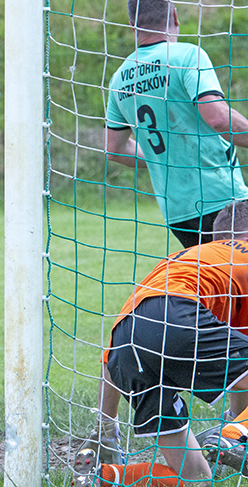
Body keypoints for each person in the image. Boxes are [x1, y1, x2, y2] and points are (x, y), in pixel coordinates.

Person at [73, 199, 248, 486]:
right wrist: (235, 421)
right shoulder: (237, 261)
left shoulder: (185, 259)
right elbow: (240, 376)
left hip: (125, 343)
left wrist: (105, 425)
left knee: (196, 478)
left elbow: (110, 355)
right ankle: (235, 435)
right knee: (232, 435)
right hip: (178, 314)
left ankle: (104, 477)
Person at [105, 0, 248, 248]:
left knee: (213, 283)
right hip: (224, 201)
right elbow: (218, 118)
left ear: (132, 25)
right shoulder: (187, 55)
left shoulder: (118, 79)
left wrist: (166, 160)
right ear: (174, 15)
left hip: (177, 213)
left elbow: (115, 150)